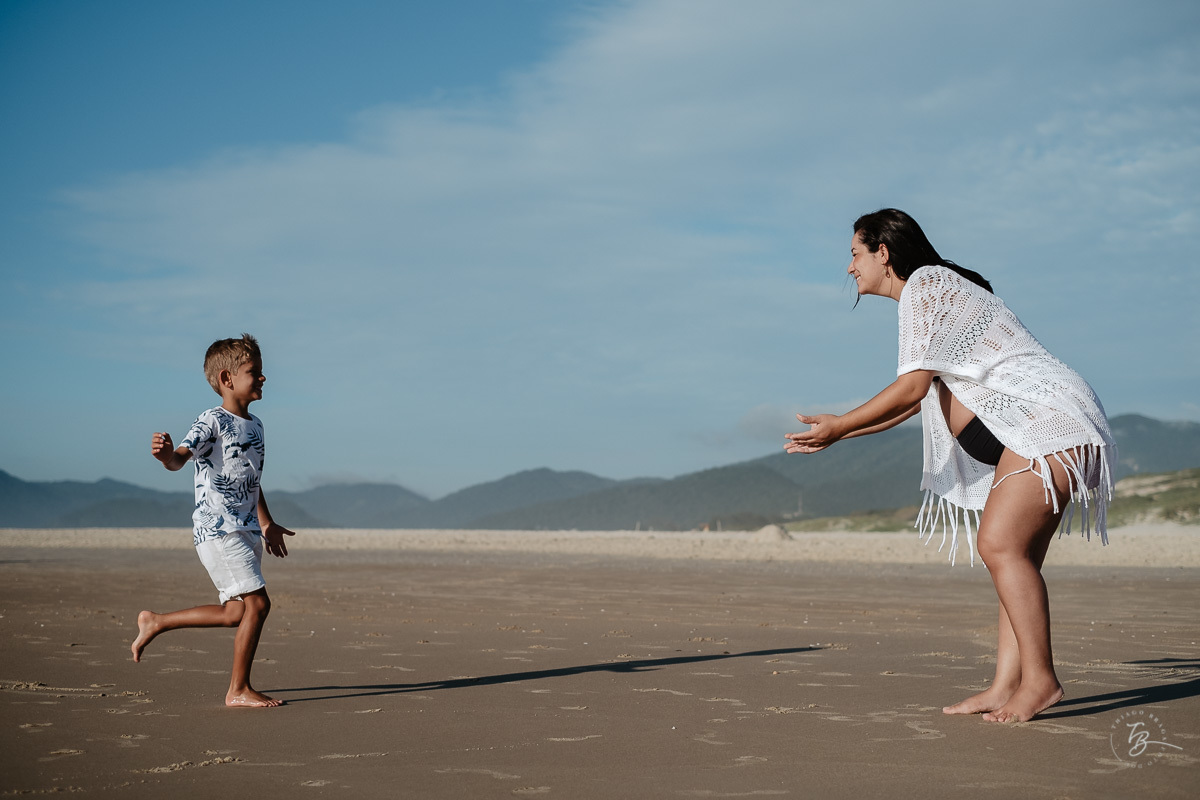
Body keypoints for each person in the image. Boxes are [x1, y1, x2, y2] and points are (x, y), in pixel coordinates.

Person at [785, 209, 1115, 723]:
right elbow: (916, 402)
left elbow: (912, 388)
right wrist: (841, 434)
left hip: (1048, 423)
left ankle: (1041, 680)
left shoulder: (924, 287)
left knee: (999, 545)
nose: (849, 267)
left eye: (855, 253)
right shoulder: (935, 302)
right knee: (1013, 556)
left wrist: (841, 424)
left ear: (883, 252)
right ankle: (1007, 684)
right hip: (1041, 428)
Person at [132, 333, 295, 708]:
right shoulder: (212, 420)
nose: (263, 378)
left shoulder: (257, 427)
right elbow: (180, 459)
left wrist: (267, 524)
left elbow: (251, 480)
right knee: (258, 605)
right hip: (219, 529)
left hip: (247, 529)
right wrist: (166, 456)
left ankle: (156, 622)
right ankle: (238, 690)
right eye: (254, 371)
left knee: (235, 612)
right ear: (226, 379)